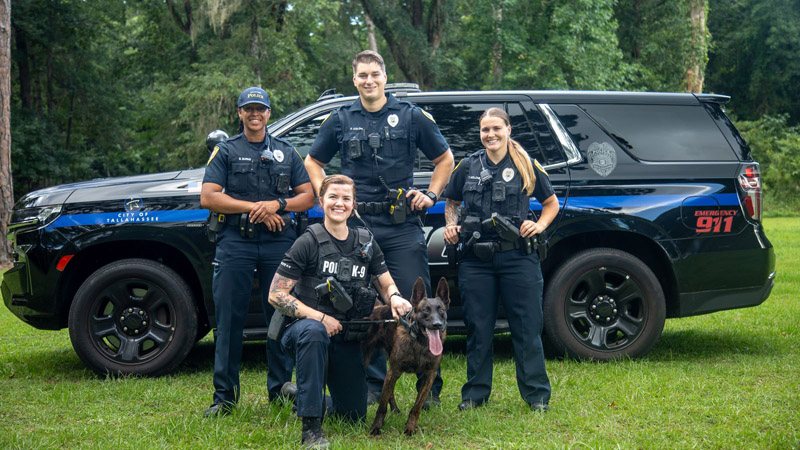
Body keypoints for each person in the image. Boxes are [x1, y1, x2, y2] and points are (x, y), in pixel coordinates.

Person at [304, 50, 454, 406]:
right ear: (354, 80)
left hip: (402, 227)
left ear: (385, 77)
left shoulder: (411, 116)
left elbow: (445, 159)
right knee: (366, 305)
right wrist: (330, 197)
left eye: (374, 74)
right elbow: (312, 161)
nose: (369, 80)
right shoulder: (340, 119)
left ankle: (428, 386)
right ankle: (373, 385)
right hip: (358, 227)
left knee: (418, 302)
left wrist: (432, 194)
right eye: (362, 75)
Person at [268, 174, 413, 449]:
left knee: (353, 415)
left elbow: (385, 280)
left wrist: (394, 297)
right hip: (302, 331)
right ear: (321, 201)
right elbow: (276, 294)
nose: (339, 203)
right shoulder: (308, 241)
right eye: (333, 197)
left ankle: (299, 394)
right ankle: (311, 429)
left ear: (353, 203)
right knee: (314, 332)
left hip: (345, 336)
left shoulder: (366, 241)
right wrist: (320, 317)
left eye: (346, 198)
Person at [201, 87, 315, 416]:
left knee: (280, 316)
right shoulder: (226, 151)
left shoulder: (285, 151)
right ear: (239, 113)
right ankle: (224, 397)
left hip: (278, 242)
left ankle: (280, 390)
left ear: (268, 113)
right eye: (248, 108)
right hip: (235, 241)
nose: (255, 114)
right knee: (229, 319)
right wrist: (257, 207)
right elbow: (209, 196)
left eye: (260, 109)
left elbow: (307, 196)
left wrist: (278, 204)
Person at [441, 107, 559, 412]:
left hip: (517, 257)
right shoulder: (468, 165)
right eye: (485, 130)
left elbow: (551, 203)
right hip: (476, 261)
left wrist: (540, 225)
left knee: (527, 328)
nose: (490, 135)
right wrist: (451, 224)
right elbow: (451, 202)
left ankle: (536, 397)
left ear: (508, 130)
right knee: (478, 330)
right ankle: (474, 395)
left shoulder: (526, 164)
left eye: (496, 128)